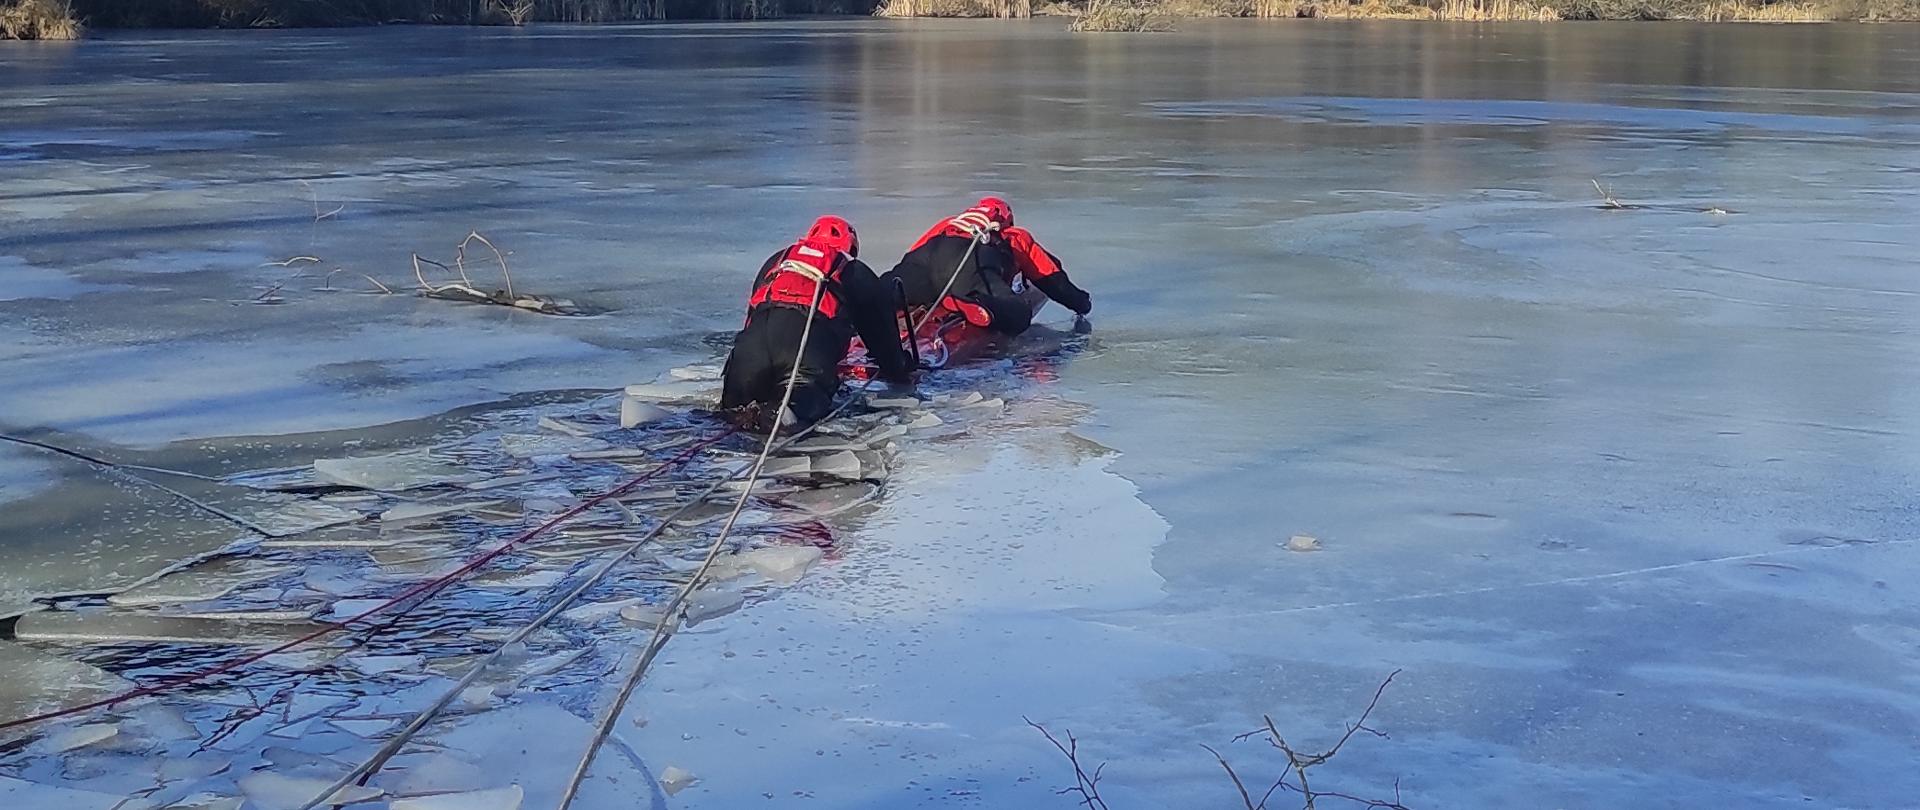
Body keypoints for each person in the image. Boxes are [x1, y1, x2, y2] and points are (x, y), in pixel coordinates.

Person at [720, 216, 915, 432]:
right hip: (805, 352)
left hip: (749, 352)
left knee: (733, 418)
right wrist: (901, 370)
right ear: (850, 248)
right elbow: (882, 338)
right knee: (793, 419)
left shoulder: (777, 261)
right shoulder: (852, 270)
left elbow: (750, 316)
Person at [883, 196, 1092, 337]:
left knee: (887, 291)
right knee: (1019, 314)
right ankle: (972, 303)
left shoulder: (949, 223)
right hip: (970, 263)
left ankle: (873, 305)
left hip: (927, 256)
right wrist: (1082, 303)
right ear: (1007, 220)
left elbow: (911, 255)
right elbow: (1052, 279)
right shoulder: (1013, 236)